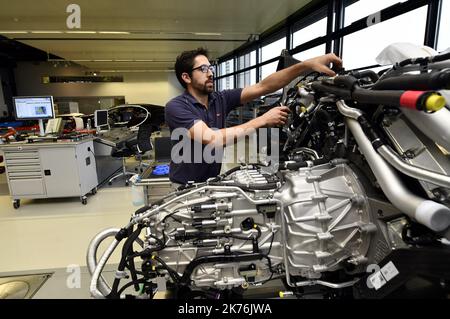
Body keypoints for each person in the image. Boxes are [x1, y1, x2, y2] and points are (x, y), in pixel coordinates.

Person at [165, 47, 342, 187]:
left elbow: (263, 86)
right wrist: (262, 119)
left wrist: (305, 66)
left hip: (211, 182)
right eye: (203, 69)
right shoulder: (176, 107)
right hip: (184, 186)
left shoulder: (220, 99)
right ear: (186, 77)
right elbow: (212, 138)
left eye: (210, 67)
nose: (210, 73)